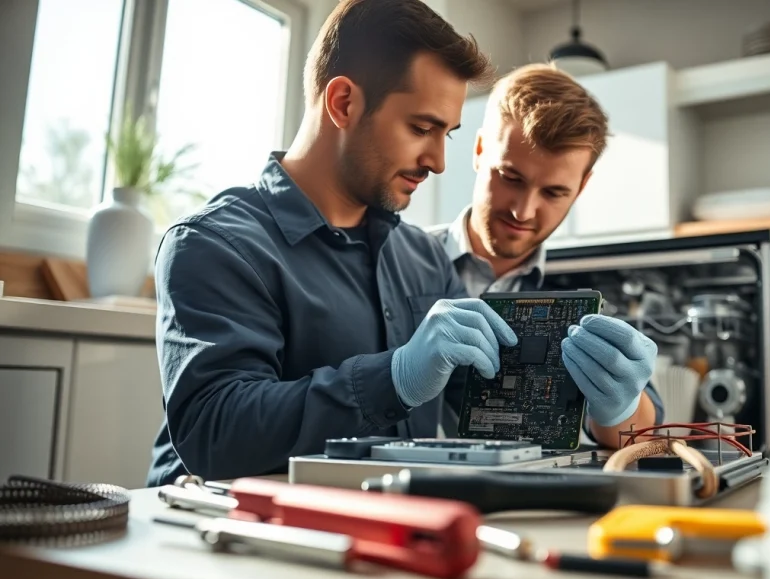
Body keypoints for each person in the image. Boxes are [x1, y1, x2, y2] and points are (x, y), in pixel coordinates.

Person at [146, 0, 656, 487]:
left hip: (375, 543)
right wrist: (396, 377)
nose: (437, 162)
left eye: (447, 135)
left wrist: (617, 408)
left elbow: (503, 414)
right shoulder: (215, 245)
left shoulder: (425, 260)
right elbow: (213, 434)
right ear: (343, 103)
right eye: (421, 128)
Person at [430, 64, 664, 448]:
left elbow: (639, 432)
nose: (523, 211)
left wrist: (621, 409)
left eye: (554, 193)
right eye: (510, 177)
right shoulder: (395, 258)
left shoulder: (583, 297)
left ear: (581, 187)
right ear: (478, 150)